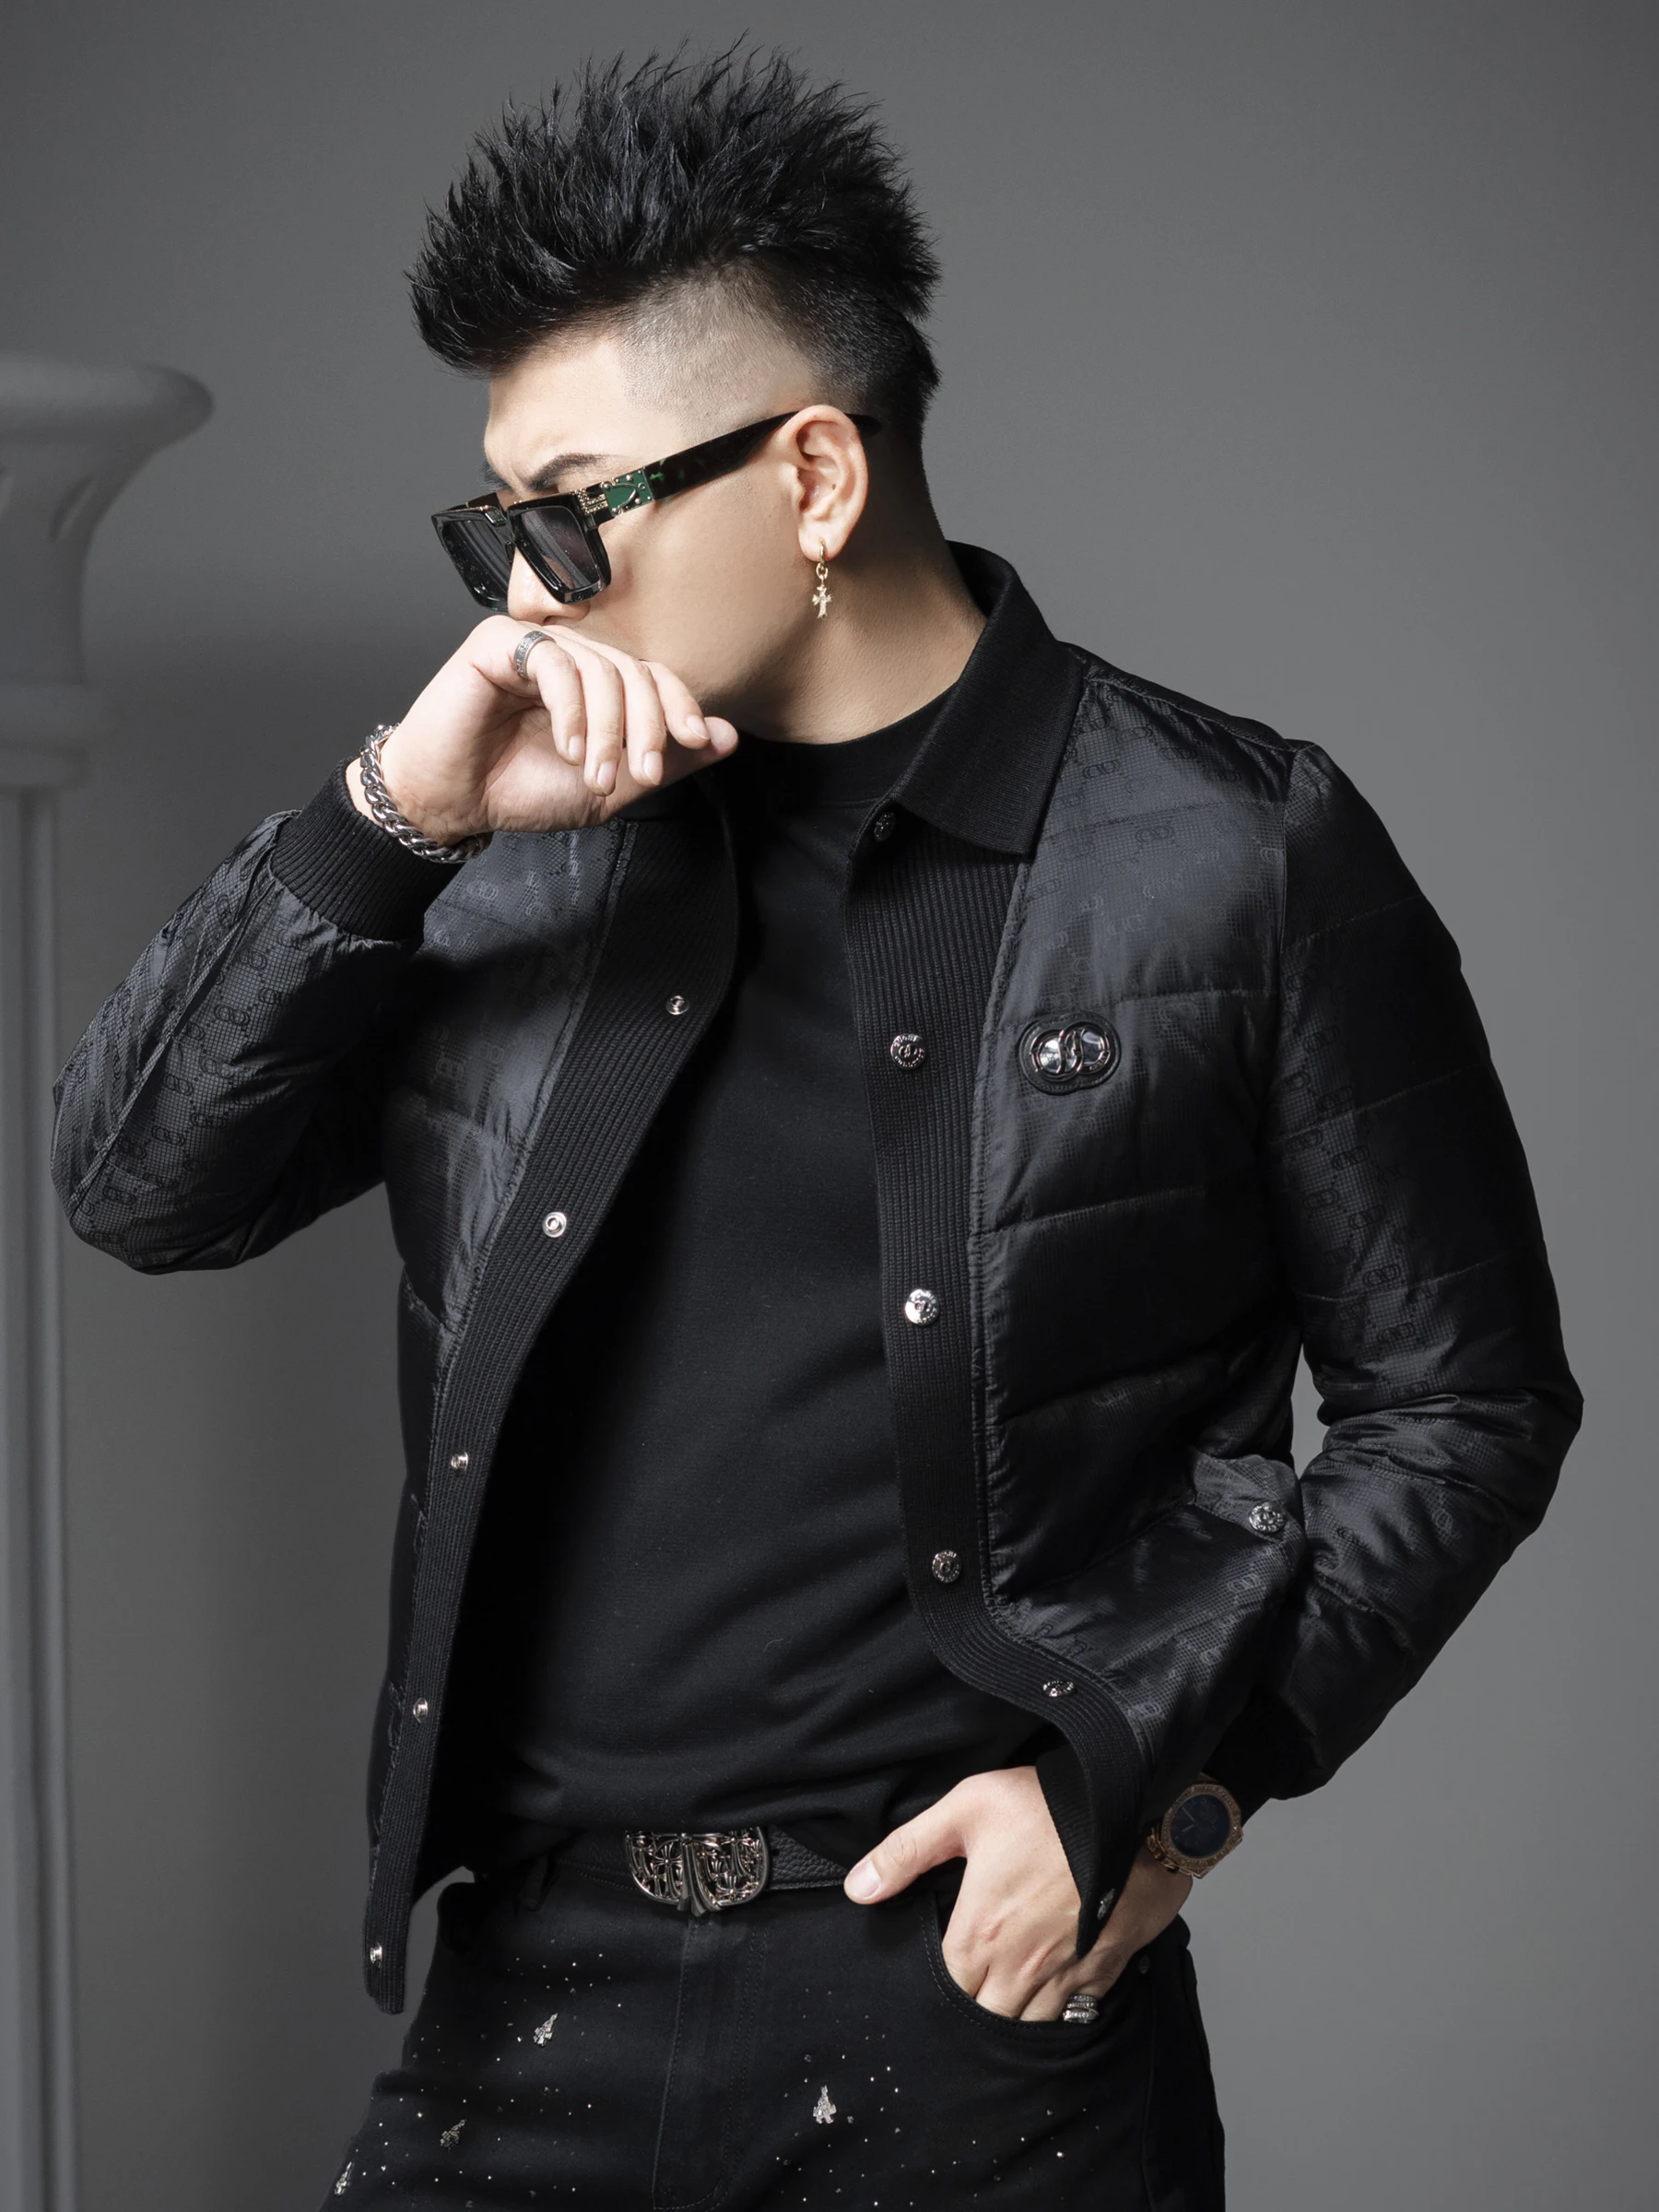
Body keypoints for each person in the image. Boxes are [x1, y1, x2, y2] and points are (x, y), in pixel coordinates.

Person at [52, 47, 1580, 2211]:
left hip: (979, 2033)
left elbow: (1470, 1400)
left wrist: (1176, 1790)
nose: (525, 595)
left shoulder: (1235, 856)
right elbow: (136, 1186)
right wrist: (396, 814)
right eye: (493, 526)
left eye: (568, 512)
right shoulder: (503, 849)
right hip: (527, 2006)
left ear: (818, 477)